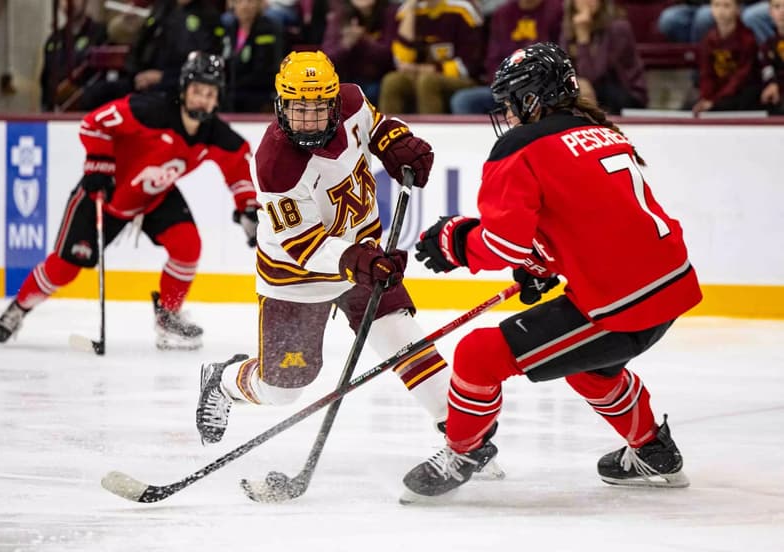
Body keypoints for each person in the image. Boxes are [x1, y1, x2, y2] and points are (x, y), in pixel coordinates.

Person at [400, 42, 703, 502]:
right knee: (592, 371)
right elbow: (593, 223)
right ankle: (652, 451)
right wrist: (540, 264)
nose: (508, 114)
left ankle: (464, 450)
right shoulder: (599, 131)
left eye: (510, 103)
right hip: (668, 285)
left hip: (622, 305)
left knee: (479, 354)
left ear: (532, 99)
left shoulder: (521, 147)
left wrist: (455, 243)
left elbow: (503, 243)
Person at [193, 51, 503, 475]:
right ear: (281, 105)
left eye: (318, 109)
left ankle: (464, 439)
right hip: (297, 277)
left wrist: (396, 144)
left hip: (363, 253)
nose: (308, 120)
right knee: (283, 388)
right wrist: (356, 258)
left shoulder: (354, 101)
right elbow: (302, 245)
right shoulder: (274, 165)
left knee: (402, 338)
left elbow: (378, 127)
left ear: (335, 103)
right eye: (298, 110)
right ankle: (225, 380)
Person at [0, 52, 259, 351]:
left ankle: (168, 317)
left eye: (210, 94)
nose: (202, 100)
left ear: (217, 99)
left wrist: (248, 207)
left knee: (187, 246)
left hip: (154, 196)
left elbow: (239, 164)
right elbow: (94, 123)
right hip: (106, 193)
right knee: (64, 268)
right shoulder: (149, 110)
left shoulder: (214, 133)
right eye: (198, 90)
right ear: (184, 89)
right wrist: (99, 164)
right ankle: (20, 307)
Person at [80, 0, 225, 110]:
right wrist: (137, 74)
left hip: (177, 85)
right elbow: (141, 46)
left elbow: (206, 65)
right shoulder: (162, 8)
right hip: (143, 79)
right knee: (95, 94)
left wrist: (163, 77)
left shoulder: (208, 17)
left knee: (148, 102)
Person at [450, 0, 563, 114]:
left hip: (543, 87)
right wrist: (505, 85)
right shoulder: (502, 13)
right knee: (464, 100)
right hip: (508, 87)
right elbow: (493, 58)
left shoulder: (557, 10)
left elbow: (558, 56)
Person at [377, 0, 484, 114]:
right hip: (419, 75)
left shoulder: (462, 9)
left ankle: (431, 131)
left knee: (427, 81)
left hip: (461, 79)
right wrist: (410, 13)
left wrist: (430, 69)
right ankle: (390, 130)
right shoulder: (405, 11)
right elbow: (401, 62)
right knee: (392, 81)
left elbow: (470, 63)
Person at [560, 0, 647, 114]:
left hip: (625, 94)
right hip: (588, 91)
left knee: (586, 90)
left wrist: (583, 39)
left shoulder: (619, 28)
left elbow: (594, 77)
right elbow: (565, 70)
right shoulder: (569, 27)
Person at [320, 0, 398, 106]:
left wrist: (363, 39)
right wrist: (346, 45)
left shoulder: (389, 13)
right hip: (347, 78)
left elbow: (390, 55)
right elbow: (326, 59)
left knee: (379, 89)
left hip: (380, 78)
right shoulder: (340, 17)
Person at [692, 0, 761, 114]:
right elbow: (706, 72)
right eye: (716, 5)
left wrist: (715, 100)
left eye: (727, 6)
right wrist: (706, 97)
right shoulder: (708, 39)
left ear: (738, 9)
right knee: (691, 107)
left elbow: (742, 76)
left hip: (740, 92)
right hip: (718, 92)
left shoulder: (747, 39)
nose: (721, 11)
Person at [40, 0, 108, 111]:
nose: (69, 2)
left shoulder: (100, 33)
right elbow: (45, 80)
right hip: (58, 114)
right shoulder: (54, 39)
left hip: (91, 112)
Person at [221, 0, 285, 112]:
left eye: (250, 1)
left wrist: (234, 84)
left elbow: (267, 69)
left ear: (259, 4)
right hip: (232, 92)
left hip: (258, 93)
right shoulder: (230, 29)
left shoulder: (268, 29)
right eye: (239, 2)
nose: (245, 6)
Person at [758, 0, 784, 113]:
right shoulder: (768, 45)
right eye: (777, 6)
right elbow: (767, 69)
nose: (783, 11)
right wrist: (772, 84)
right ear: (770, 12)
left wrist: (779, 86)